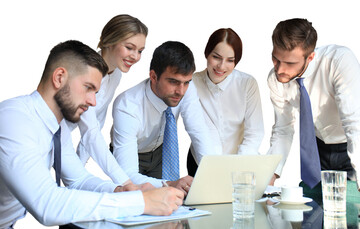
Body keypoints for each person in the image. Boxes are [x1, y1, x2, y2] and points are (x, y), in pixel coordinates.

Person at [0, 40, 184, 229]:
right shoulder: (14, 119)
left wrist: (122, 190)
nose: (93, 101)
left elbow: (79, 179)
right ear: (59, 77)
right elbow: (46, 204)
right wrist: (142, 203)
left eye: (96, 92)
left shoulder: (56, 128)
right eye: (88, 88)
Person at [267, 18, 360, 192]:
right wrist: (269, 176)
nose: (279, 70)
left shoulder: (339, 61)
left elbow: (354, 124)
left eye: (290, 63)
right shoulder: (275, 80)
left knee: (350, 210)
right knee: (314, 211)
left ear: (310, 57)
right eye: (276, 59)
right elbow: (283, 129)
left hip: (351, 148)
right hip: (318, 152)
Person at [112, 41, 215, 194]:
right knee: (136, 200)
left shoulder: (186, 88)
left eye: (186, 82)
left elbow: (199, 132)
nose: (180, 91)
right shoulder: (127, 106)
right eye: (173, 82)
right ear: (153, 76)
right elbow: (128, 174)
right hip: (132, 152)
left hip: (161, 152)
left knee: (167, 203)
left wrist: (215, 176)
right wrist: (170, 184)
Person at [65, 14, 152, 190]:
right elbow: (90, 133)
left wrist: (78, 172)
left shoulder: (115, 74)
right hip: (42, 139)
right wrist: (125, 181)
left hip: (60, 142)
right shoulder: (87, 72)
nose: (135, 56)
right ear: (109, 41)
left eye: (140, 51)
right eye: (129, 48)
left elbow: (95, 124)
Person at [186, 28, 264, 176]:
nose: (221, 66)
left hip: (241, 162)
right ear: (207, 54)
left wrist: (239, 168)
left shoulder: (247, 84)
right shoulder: (191, 84)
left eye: (230, 60)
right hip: (202, 162)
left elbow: (254, 132)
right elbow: (198, 131)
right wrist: (215, 170)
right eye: (216, 57)